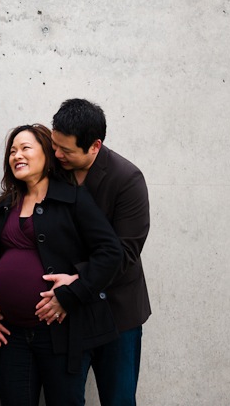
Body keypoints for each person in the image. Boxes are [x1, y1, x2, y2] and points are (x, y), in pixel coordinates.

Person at [0, 123, 123, 406]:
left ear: (47, 154)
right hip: (11, 337)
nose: (16, 155)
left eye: (25, 148)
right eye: (12, 151)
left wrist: (70, 295)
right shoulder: (4, 205)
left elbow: (110, 253)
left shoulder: (73, 199)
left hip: (60, 334)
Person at [50, 99, 151, 406]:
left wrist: (75, 282)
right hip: (67, 314)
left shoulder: (127, 179)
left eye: (66, 150)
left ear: (94, 146)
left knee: (119, 400)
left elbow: (124, 253)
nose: (56, 154)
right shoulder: (53, 169)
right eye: (55, 145)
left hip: (117, 313)